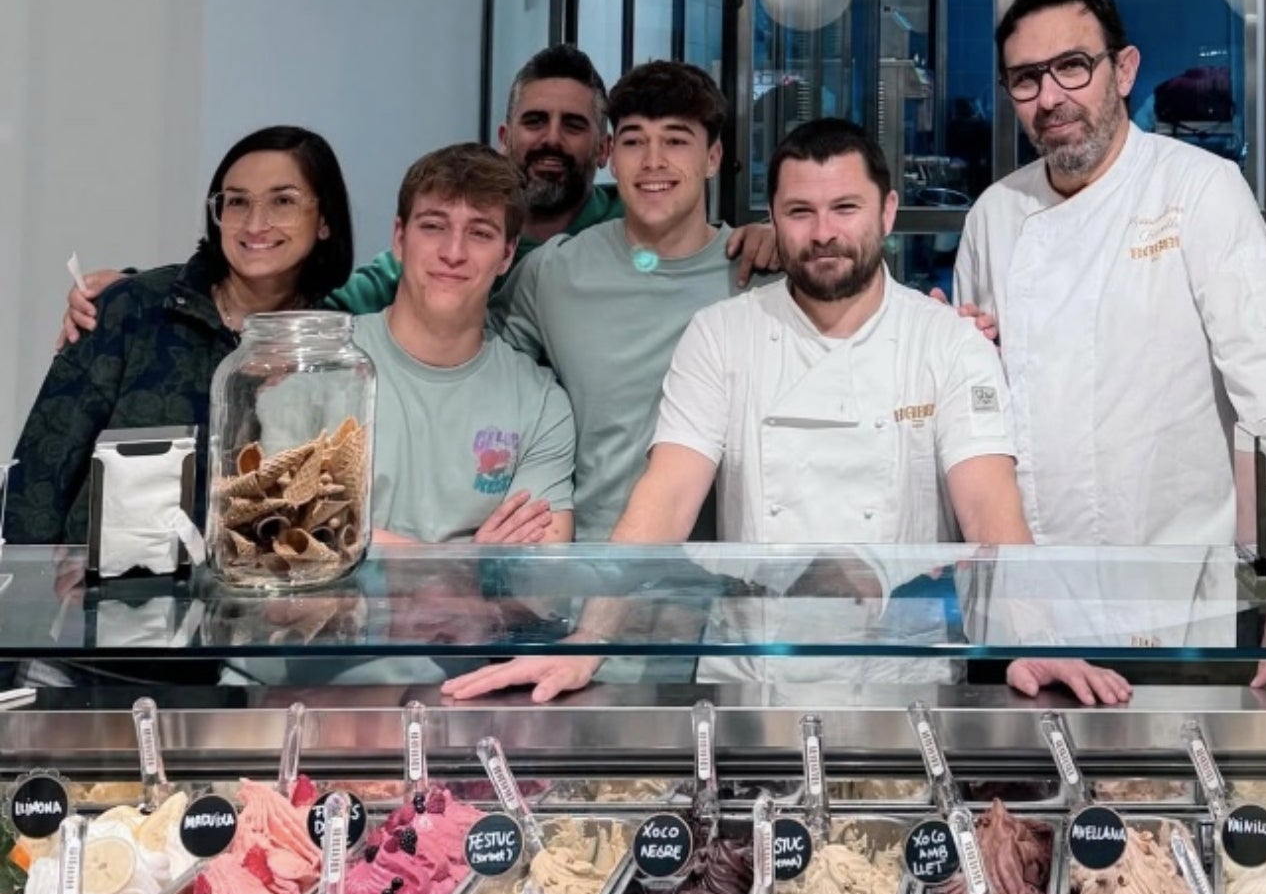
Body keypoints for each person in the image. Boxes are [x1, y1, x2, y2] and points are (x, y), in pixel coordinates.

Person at [444, 117, 1131, 706]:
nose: (823, 233)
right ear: (772, 217)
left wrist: (1037, 639)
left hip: (900, 681)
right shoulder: (722, 334)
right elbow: (664, 498)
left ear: (888, 212)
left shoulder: (948, 342)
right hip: (751, 678)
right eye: (800, 212)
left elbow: (992, 513)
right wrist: (588, 644)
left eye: (845, 209)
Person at [57, 46, 776, 346]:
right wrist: (154, 296)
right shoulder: (437, 246)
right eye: (534, 122)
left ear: (599, 147)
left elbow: (683, 230)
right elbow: (308, 308)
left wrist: (764, 236)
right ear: (505, 135)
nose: (551, 139)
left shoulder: (625, 230)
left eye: (573, 125)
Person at [953, 0, 1266, 550]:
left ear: (1124, 70)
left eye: (1072, 65)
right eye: (1026, 78)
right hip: (1030, 575)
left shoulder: (1200, 190)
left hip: (1178, 582)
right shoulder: (992, 216)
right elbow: (979, 413)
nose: (1050, 97)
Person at [7, 125, 354, 543]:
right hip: (105, 597)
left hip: (269, 600)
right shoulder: (133, 311)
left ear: (324, 221)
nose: (255, 223)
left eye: (283, 201)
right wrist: (24, 597)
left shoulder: (335, 348)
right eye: (237, 202)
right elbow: (40, 479)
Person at [485, 59, 764, 542]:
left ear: (713, 157)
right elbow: (474, 369)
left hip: (723, 583)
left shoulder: (758, 273)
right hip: (586, 565)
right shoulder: (554, 272)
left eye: (676, 140)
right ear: (611, 155)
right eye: (635, 140)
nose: (653, 161)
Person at [357, 143, 574, 544]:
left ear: (507, 254)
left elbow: (540, 584)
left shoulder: (539, 402)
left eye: (479, 233)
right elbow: (289, 543)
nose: (453, 253)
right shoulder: (322, 365)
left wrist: (369, 542)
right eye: (434, 226)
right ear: (400, 238)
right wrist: (470, 566)